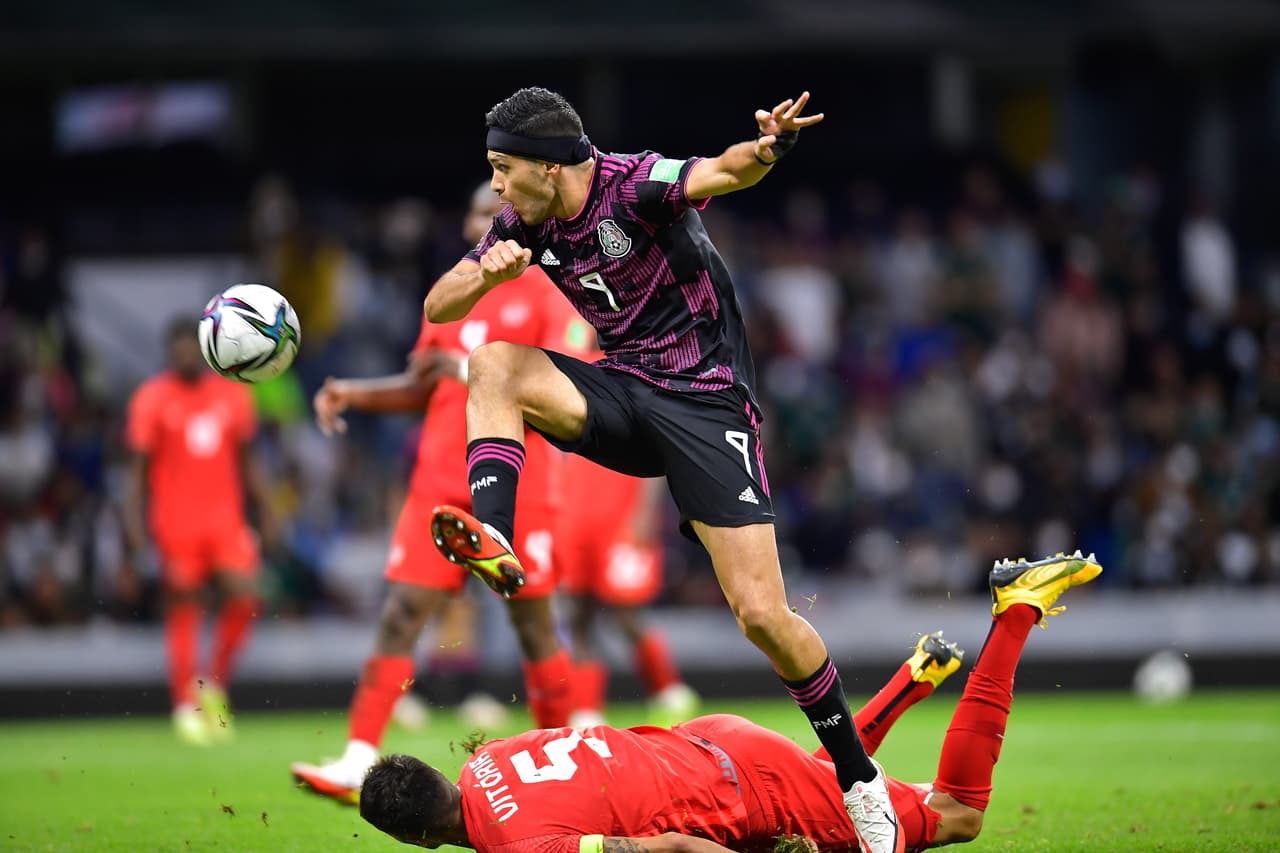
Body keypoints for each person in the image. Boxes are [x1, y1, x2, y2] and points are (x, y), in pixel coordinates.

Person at [421, 86, 902, 849]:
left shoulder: (634, 184)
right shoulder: (521, 223)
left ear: (549, 167)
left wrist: (772, 146)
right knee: (492, 363)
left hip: (706, 406)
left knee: (762, 616)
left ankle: (859, 779)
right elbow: (439, 305)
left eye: (504, 168)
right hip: (622, 393)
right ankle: (497, 533)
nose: (498, 187)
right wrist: (485, 275)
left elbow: (723, 171)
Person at [358, 552, 1102, 853]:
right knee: (822, 787)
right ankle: (911, 679)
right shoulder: (493, 755)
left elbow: (679, 851)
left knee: (956, 815)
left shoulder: (526, 849)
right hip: (711, 744)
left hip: (740, 789)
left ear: (420, 842)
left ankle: (1016, 608)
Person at [290, 182, 588, 804]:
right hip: (439, 482)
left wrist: (475, 371)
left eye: (501, 213)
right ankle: (357, 759)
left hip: (519, 486)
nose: (491, 223)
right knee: (401, 614)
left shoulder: (553, 294)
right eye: (481, 213)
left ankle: (566, 768)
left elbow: (569, 387)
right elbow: (423, 384)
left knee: (533, 628)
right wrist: (356, 392)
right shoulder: (451, 298)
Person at [124, 318, 278, 745]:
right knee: (185, 608)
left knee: (247, 596)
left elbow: (249, 464)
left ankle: (213, 685)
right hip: (175, 524)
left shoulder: (233, 395)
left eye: (192, 347)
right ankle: (183, 705)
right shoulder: (152, 398)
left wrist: (266, 512)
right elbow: (136, 472)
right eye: (178, 349)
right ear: (168, 353)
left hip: (225, 522)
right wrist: (133, 523)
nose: (186, 355)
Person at [560, 435, 698, 728]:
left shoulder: (630, 391)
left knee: (625, 613)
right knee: (578, 615)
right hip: (574, 516)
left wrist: (645, 512)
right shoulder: (572, 389)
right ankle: (587, 710)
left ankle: (668, 690)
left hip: (619, 517)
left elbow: (657, 457)